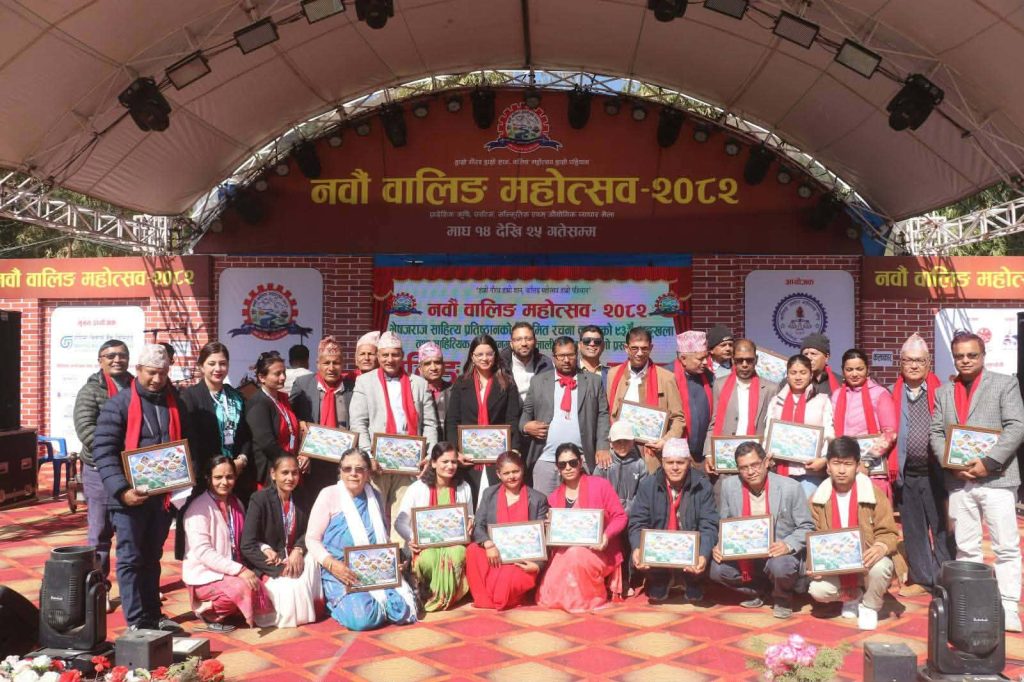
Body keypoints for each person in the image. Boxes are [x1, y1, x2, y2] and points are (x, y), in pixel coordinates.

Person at [930, 331, 1024, 632]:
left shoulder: (1005, 384)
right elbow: (936, 433)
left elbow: (1016, 426)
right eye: (960, 356)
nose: (966, 360)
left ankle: (1008, 606)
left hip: (997, 478)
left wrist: (989, 462)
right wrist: (951, 463)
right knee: (966, 547)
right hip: (960, 481)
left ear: (983, 355)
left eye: (972, 355)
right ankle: (969, 604)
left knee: (1005, 546)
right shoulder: (944, 392)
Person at [91, 344, 185, 632]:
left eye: (163, 373)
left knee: (152, 557)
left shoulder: (175, 403)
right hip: (128, 499)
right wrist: (122, 491)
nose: (157, 379)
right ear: (138, 370)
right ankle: (136, 621)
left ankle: (154, 614)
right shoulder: (118, 404)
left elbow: (184, 445)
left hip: (162, 497)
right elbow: (103, 451)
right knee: (131, 559)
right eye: (151, 373)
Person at [305, 449, 417, 630]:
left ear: (368, 472)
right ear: (340, 471)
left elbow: (383, 537)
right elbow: (312, 539)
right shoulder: (329, 495)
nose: (353, 473)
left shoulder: (375, 496)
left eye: (359, 469)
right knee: (364, 618)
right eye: (347, 469)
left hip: (375, 570)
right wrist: (333, 565)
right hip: (341, 571)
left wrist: (393, 561)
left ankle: (379, 603)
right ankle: (335, 603)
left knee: (401, 611)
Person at [350, 331, 439, 542]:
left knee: (404, 517)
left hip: (410, 464)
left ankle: (402, 558)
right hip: (377, 464)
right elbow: (358, 423)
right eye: (385, 355)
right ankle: (377, 556)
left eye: (395, 355)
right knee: (374, 514)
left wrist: (429, 456)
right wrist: (368, 456)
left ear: (402, 356)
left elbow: (430, 424)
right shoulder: (365, 382)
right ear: (378, 356)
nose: (390, 360)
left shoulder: (419, 383)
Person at [710, 441, 814, 619]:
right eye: (744, 468)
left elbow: (807, 527)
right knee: (717, 570)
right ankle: (758, 590)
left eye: (755, 465)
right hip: (746, 554)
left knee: (781, 566)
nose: (750, 472)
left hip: (778, 553)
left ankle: (782, 597)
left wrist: (787, 545)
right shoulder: (729, 486)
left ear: (766, 462)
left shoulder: (790, 487)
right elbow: (725, 522)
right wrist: (721, 544)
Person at [807, 437, 898, 630]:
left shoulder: (873, 494)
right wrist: (813, 563)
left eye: (848, 464)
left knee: (882, 567)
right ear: (827, 466)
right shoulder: (817, 499)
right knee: (818, 590)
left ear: (857, 466)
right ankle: (852, 596)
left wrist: (880, 547)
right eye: (836, 463)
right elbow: (812, 537)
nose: (841, 470)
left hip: (866, 562)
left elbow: (889, 532)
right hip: (836, 566)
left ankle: (870, 606)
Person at [888, 333, 951, 597]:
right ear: (901, 363)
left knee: (941, 527)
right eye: (908, 360)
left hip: (936, 473)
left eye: (919, 361)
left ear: (928, 363)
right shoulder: (891, 393)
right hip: (907, 473)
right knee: (913, 530)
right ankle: (923, 579)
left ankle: (945, 577)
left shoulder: (943, 392)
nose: (914, 365)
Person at [182, 457, 275, 632]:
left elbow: (247, 538)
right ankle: (208, 611)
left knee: (270, 580)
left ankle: (235, 609)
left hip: (233, 568)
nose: (224, 482)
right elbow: (203, 552)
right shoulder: (198, 508)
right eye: (218, 477)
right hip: (206, 574)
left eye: (229, 477)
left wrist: (265, 548)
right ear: (208, 478)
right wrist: (240, 570)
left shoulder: (236, 503)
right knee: (243, 588)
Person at [73, 339, 132, 609]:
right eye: (110, 355)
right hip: (100, 471)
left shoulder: (137, 387)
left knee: (133, 533)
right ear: (100, 360)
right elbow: (86, 430)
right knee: (100, 534)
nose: (117, 359)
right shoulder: (90, 391)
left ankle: (135, 588)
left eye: (122, 355)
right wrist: (114, 454)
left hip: (132, 470)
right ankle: (100, 589)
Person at [537, 443, 627, 611]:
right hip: (565, 550)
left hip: (599, 549)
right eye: (562, 464)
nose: (568, 468)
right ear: (557, 468)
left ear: (580, 462)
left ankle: (587, 601)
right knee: (547, 593)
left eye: (572, 463)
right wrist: (550, 528)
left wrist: (606, 536)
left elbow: (620, 516)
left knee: (576, 554)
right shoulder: (553, 498)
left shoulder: (600, 485)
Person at [627, 438, 718, 604]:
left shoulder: (703, 486)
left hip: (691, 551)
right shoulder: (648, 485)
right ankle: (660, 579)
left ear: (689, 463)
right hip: (659, 551)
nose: (675, 467)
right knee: (639, 552)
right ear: (662, 463)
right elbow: (638, 522)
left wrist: (703, 555)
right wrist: (637, 548)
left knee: (707, 554)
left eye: (680, 462)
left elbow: (709, 525)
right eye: (670, 463)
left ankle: (692, 581)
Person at [521, 336, 610, 496]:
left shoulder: (593, 381)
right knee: (544, 507)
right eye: (561, 356)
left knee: (582, 506)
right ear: (554, 357)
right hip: (546, 460)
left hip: (581, 460)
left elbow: (603, 415)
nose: (566, 360)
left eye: (570, 355)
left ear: (577, 355)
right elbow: (526, 413)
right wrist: (526, 427)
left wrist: (603, 446)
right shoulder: (538, 381)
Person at [240, 454, 321, 628]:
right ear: (273, 474)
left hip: (297, 557)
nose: (290, 478)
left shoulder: (302, 495)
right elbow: (247, 545)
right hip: (272, 563)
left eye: (294, 473)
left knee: (314, 560)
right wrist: (279, 569)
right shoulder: (259, 499)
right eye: (285, 473)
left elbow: (311, 530)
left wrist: (299, 549)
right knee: (290, 593)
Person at [394, 442, 473, 611]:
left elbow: (469, 515)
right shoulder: (417, 488)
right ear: (434, 463)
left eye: (454, 462)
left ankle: (450, 596)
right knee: (428, 558)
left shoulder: (463, 487)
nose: (450, 466)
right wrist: (412, 538)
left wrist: (469, 523)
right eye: (445, 462)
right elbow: (399, 522)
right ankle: (425, 594)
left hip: (453, 543)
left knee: (459, 554)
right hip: (424, 545)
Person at [465, 450, 550, 610]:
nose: (511, 476)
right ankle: (483, 598)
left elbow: (543, 537)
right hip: (494, 553)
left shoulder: (538, 499)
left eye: (515, 471)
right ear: (498, 474)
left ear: (522, 470)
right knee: (473, 550)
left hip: (521, 559)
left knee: (502, 593)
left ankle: (507, 595)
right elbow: (479, 524)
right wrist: (488, 544)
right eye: (506, 473)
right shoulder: (489, 494)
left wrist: (538, 566)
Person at [445, 334, 522, 504]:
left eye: (489, 354)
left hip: (497, 456)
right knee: (470, 503)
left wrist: (515, 449)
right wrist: (455, 452)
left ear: (495, 355)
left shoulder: (507, 382)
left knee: (496, 503)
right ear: (472, 357)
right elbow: (452, 420)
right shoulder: (461, 383)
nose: (484, 359)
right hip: (468, 459)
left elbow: (512, 418)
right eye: (479, 354)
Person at [181, 342, 253, 501]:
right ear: (201, 366)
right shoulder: (189, 397)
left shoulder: (236, 397)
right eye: (212, 363)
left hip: (235, 475)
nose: (218, 368)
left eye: (222, 363)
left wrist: (242, 459)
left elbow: (245, 434)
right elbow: (191, 440)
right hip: (205, 477)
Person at [608, 327, 685, 468]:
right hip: (620, 449)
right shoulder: (613, 374)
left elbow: (678, 418)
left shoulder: (666, 378)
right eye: (634, 348)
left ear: (651, 348)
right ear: (626, 348)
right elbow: (606, 413)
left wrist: (666, 441)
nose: (639, 353)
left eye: (644, 348)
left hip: (651, 452)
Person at [290, 336, 353, 495]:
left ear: (342, 364)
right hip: (312, 459)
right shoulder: (303, 384)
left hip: (343, 459)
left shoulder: (353, 387)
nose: (331, 368)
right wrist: (300, 423)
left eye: (336, 363)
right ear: (318, 364)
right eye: (326, 363)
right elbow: (289, 415)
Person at [765, 354, 834, 497]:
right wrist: (768, 456)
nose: (798, 377)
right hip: (781, 471)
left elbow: (829, 433)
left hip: (810, 472)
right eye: (793, 373)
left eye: (803, 372)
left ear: (811, 375)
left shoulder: (822, 400)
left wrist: (824, 459)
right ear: (787, 375)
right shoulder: (776, 402)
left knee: (807, 509)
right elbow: (768, 434)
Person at [832, 349, 897, 500]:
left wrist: (866, 462)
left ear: (867, 370)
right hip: (843, 470)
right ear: (843, 371)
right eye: (849, 369)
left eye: (859, 369)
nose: (854, 374)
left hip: (872, 470)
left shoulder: (880, 394)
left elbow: (890, 433)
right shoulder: (836, 395)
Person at [703, 339, 776, 473]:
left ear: (756, 360)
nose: (744, 364)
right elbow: (714, 422)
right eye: (739, 360)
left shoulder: (771, 389)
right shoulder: (719, 385)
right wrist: (709, 453)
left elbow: (773, 428)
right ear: (733, 360)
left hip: (756, 463)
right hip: (726, 458)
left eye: (749, 360)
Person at [594, 420, 648, 596]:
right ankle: (605, 580)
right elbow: (596, 491)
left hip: (631, 516)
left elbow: (643, 494)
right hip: (609, 517)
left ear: (633, 442)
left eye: (626, 441)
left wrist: (631, 512)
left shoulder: (640, 464)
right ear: (611, 442)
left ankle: (626, 580)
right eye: (618, 442)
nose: (622, 445)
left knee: (629, 547)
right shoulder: (604, 463)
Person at [245, 352, 300, 487]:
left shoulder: (283, 399)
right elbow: (266, 443)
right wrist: (291, 461)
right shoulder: (258, 404)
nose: (283, 377)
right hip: (271, 473)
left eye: (284, 372)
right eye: (277, 374)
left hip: (289, 468)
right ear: (262, 377)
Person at [672, 331, 715, 465]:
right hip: (675, 455)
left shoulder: (710, 376)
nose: (705, 362)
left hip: (704, 455)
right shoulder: (667, 377)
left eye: (706, 357)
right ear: (683, 358)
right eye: (700, 359)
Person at [500, 321, 554, 402]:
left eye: (528, 339)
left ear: (535, 341)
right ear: (511, 344)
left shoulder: (546, 364)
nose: (524, 344)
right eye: (518, 339)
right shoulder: (500, 365)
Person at [418, 342, 453, 440]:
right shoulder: (414, 392)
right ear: (420, 369)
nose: (433, 368)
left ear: (444, 366)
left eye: (437, 362)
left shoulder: (454, 391)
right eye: (427, 364)